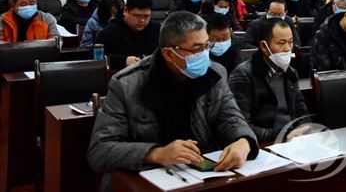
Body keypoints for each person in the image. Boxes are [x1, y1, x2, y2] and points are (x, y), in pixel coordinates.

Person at [87, 11, 258, 189]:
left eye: (207, 45)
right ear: (169, 54)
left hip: (200, 175)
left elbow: (231, 117)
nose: (205, 54)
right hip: (143, 179)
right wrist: (156, 154)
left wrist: (243, 141)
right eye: (197, 49)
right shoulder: (126, 84)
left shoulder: (215, 73)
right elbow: (100, 151)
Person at [229, 18, 311, 143]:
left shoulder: (291, 72)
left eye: (290, 42)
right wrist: (283, 136)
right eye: (281, 43)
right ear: (264, 46)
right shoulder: (243, 75)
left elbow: (302, 111)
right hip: (265, 142)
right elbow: (241, 125)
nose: (288, 48)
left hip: (293, 140)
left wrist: (302, 129)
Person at [96, 0, 161, 70]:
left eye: (146, 16)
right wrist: (123, 60)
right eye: (137, 16)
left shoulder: (157, 29)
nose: (142, 20)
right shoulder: (110, 32)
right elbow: (96, 57)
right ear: (126, 11)